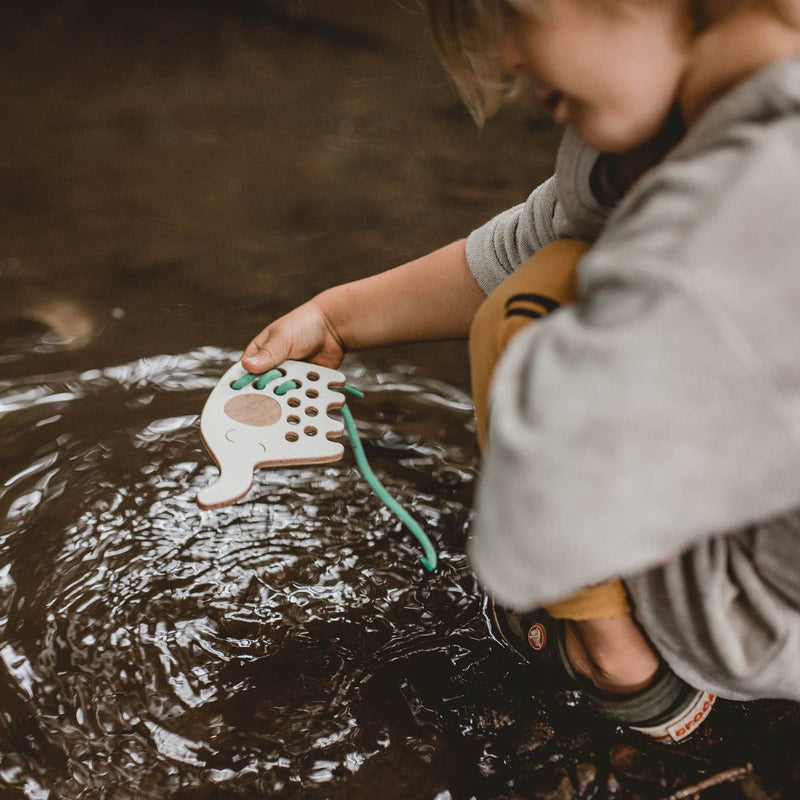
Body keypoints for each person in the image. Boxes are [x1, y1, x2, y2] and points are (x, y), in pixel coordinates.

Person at [242, 0, 800, 743]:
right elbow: (548, 228)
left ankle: (626, 671)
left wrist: (570, 520)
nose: (506, 56)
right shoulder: (721, 117)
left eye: (516, 13)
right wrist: (338, 315)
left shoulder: (713, 235)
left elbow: (530, 535)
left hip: (756, 622)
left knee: (529, 312)